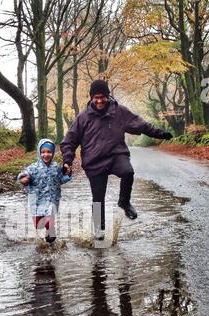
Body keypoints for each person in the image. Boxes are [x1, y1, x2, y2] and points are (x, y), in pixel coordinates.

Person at [60, 79, 173, 240]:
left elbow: (141, 124)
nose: (99, 100)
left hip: (116, 155)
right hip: (94, 162)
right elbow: (69, 141)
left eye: (102, 97)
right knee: (98, 199)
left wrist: (159, 133)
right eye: (96, 97)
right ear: (91, 98)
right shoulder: (83, 118)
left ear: (108, 96)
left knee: (128, 172)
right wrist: (67, 161)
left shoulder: (119, 112)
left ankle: (124, 202)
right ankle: (99, 232)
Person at [17, 138, 72, 243]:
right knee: (38, 224)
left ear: (53, 153)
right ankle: (48, 231)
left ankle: (51, 235)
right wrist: (24, 178)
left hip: (52, 198)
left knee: (49, 217)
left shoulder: (56, 167)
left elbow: (60, 179)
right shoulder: (33, 168)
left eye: (49, 152)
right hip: (37, 200)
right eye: (43, 152)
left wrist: (68, 175)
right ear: (39, 152)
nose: (46, 155)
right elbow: (24, 173)